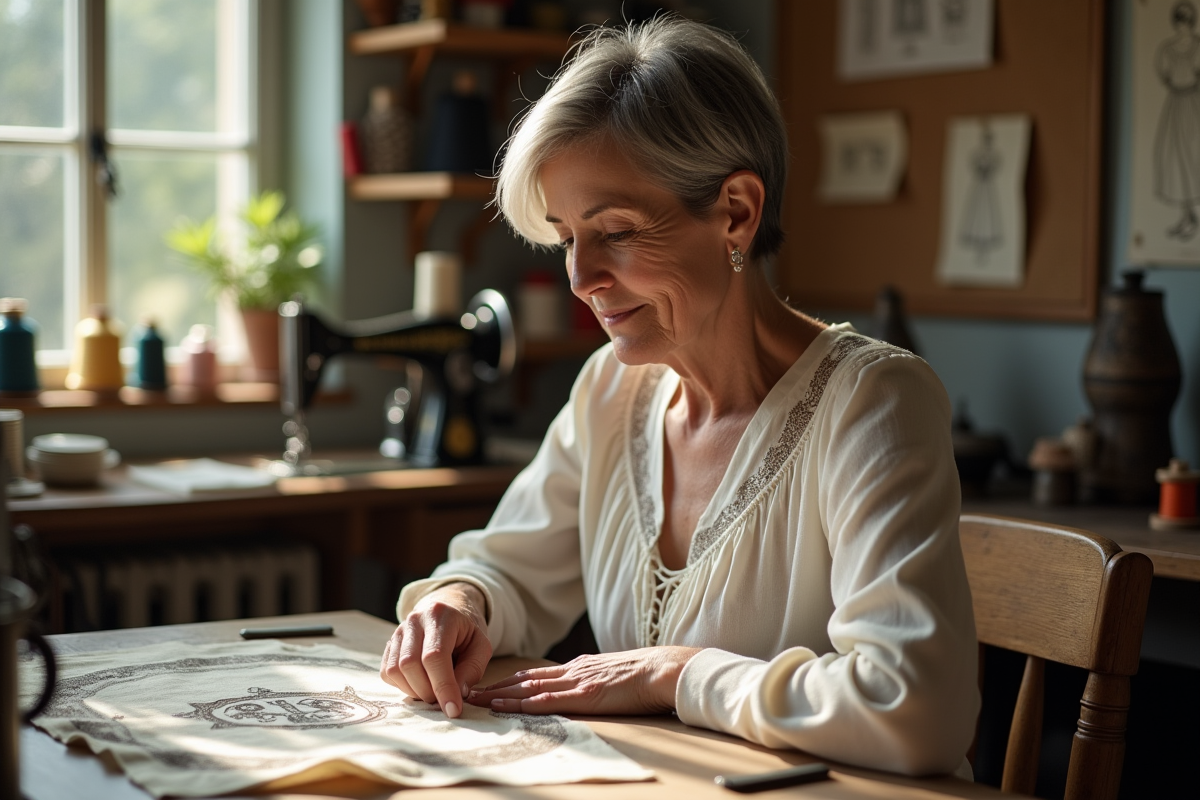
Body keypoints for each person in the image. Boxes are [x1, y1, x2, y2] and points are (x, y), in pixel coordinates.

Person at [380, 16, 979, 777]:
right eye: (567, 238)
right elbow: (512, 570)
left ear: (736, 212)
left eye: (617, 231)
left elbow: (916, 708)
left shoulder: (873, 401)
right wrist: (460, 601)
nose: (580, 278)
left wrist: (677, 673)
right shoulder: (611, 390)